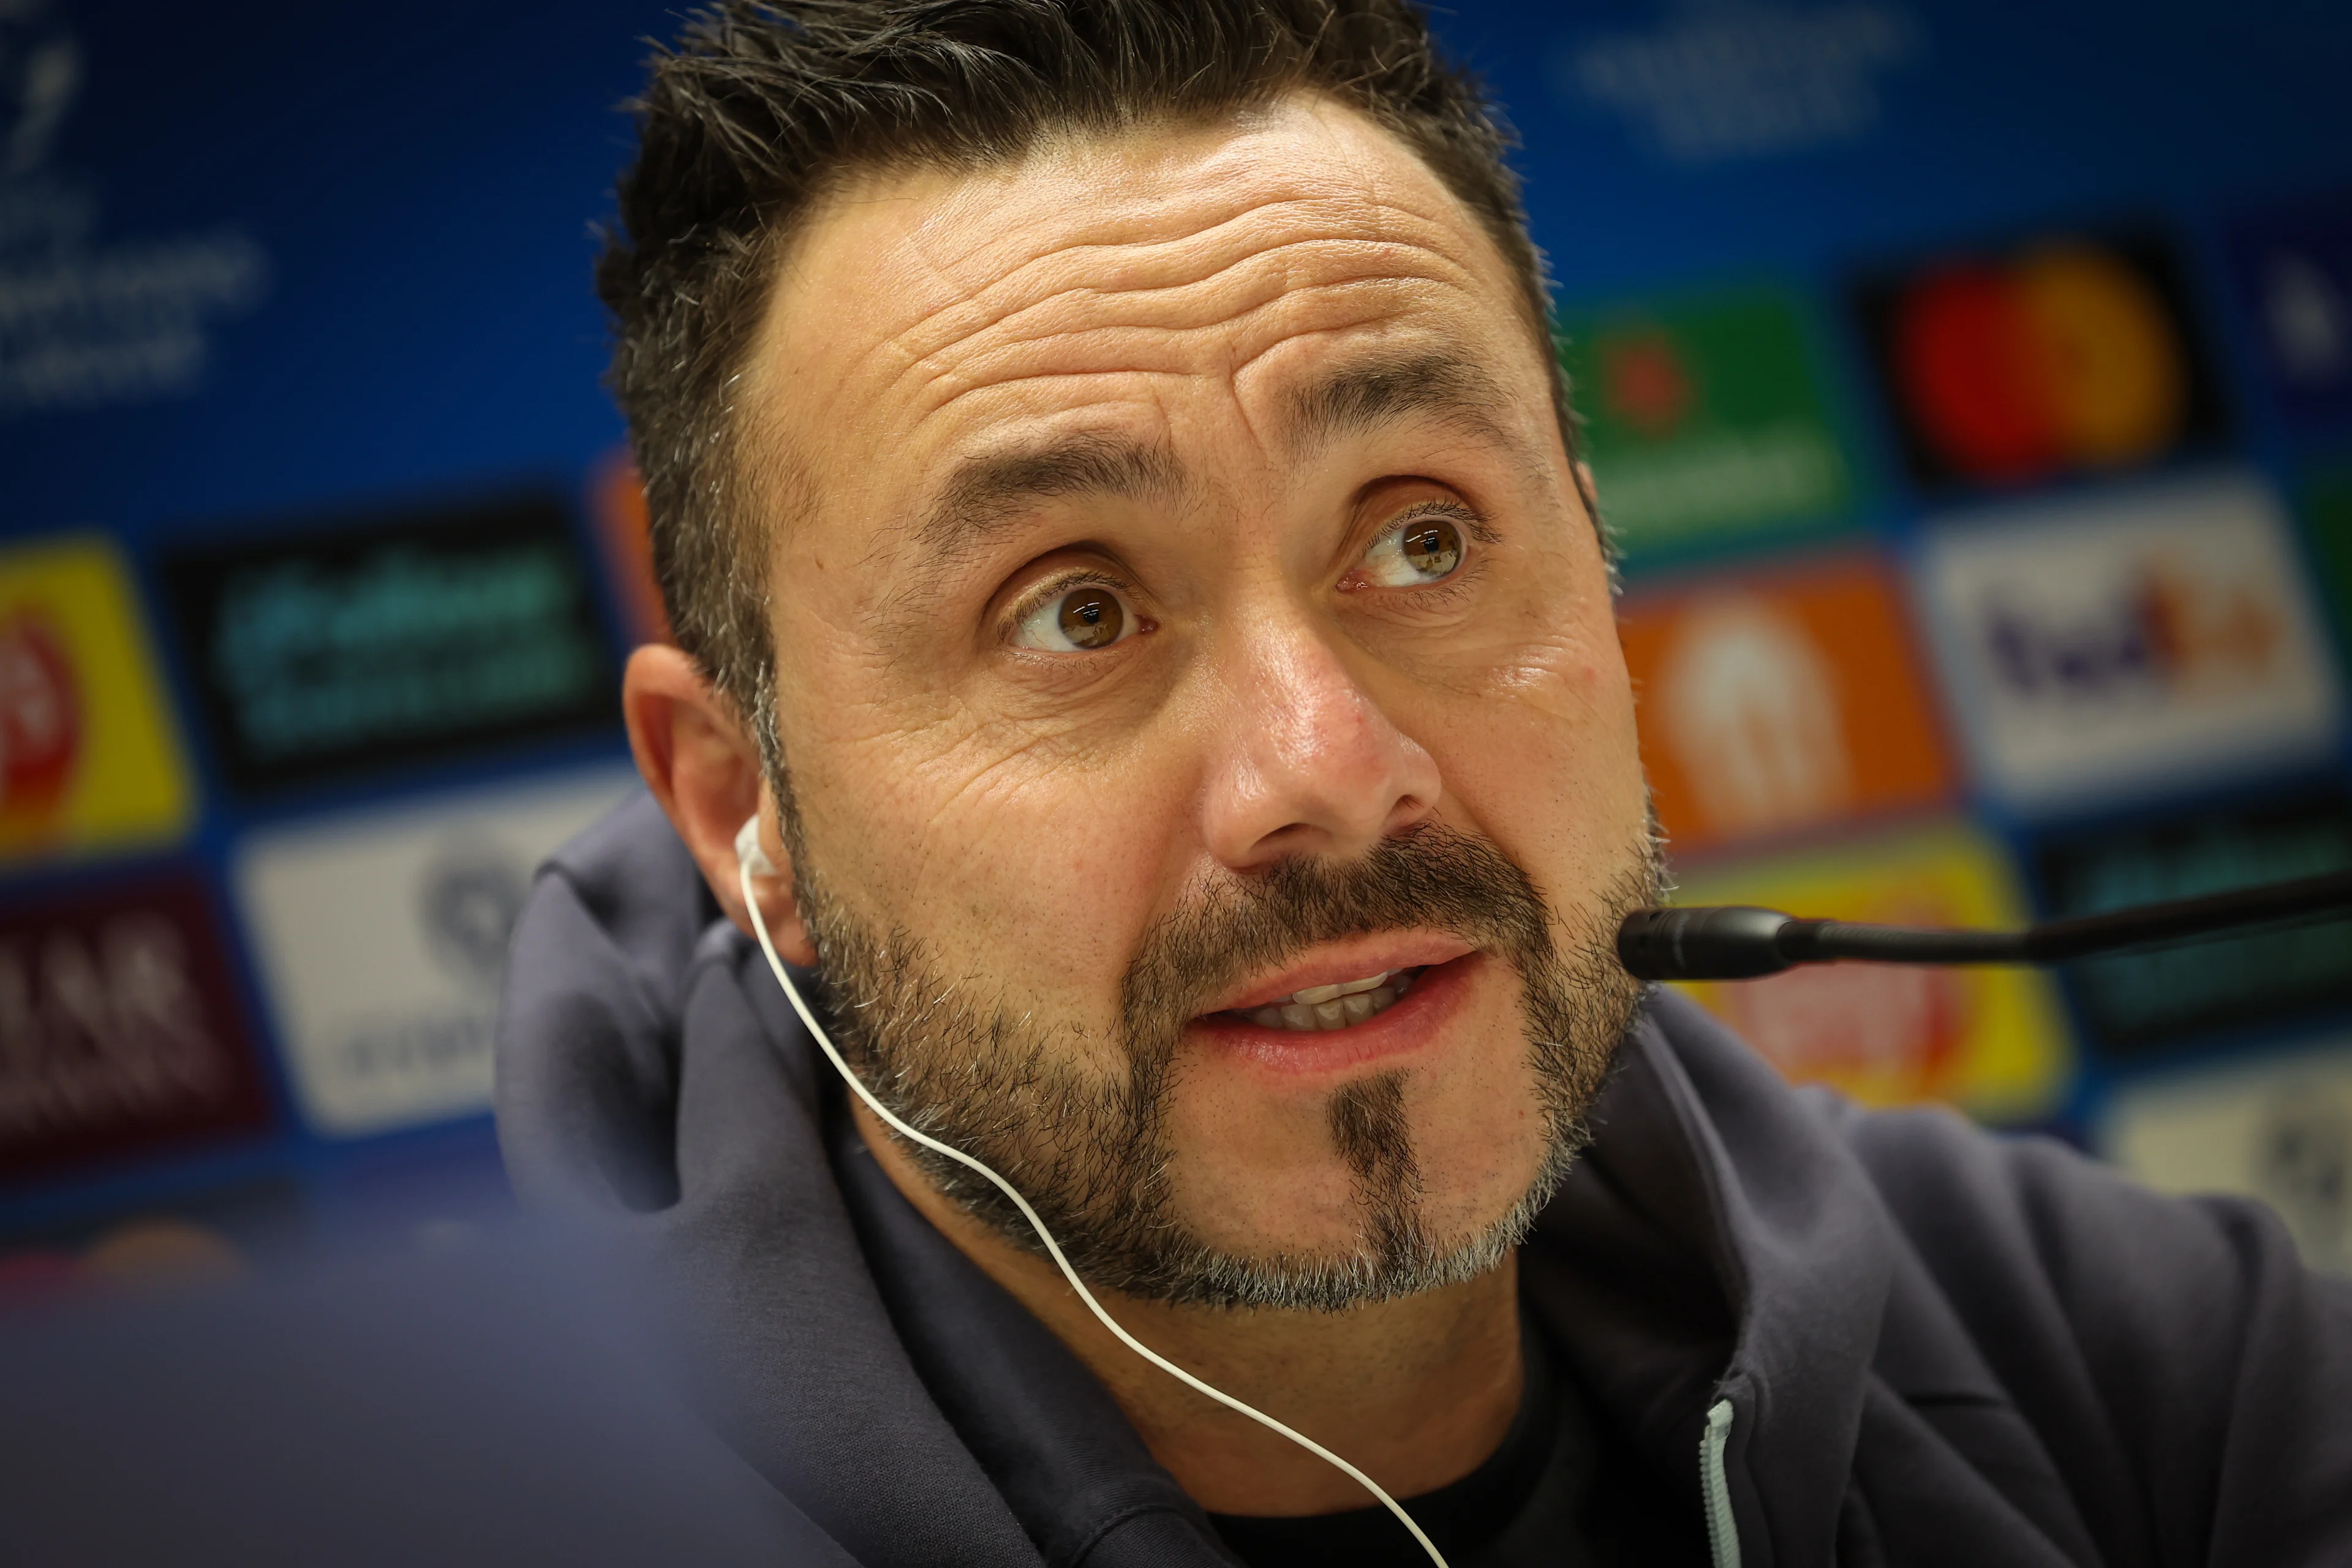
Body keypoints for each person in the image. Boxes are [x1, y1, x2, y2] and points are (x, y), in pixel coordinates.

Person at [494, 3, 2352, 1563]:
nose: (1330, 773)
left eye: (1419, 541)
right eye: (1074, 611)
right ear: (742, 809)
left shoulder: (2136, 1374)